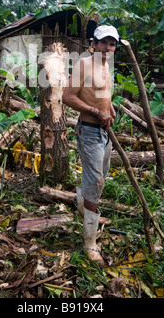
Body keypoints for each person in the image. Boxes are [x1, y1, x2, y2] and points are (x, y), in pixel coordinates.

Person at [62, 25, 119, 266]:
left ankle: (83, 205)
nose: (108, 48)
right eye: (104, 43)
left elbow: (103, 93)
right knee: (96, 182)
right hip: (89, 131)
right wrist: (95, 111)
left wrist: (110, 108)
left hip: (104, 132)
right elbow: (67, 96)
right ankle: (89, 243)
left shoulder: (106, 67)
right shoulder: (85, 64)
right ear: (93, 44)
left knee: (100, 176)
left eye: (112, 44)